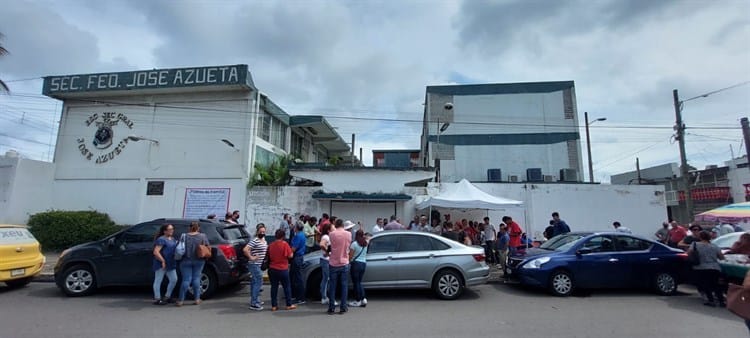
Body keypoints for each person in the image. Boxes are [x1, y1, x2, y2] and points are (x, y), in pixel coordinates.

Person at [688, 230, 725, 307]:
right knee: (716, 285)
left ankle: (711, 300)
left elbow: (689, 253)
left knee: (706, 284)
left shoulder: (695, 244)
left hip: (701, 267)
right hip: (715, 267)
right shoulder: (715, 246)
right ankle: (721, 301)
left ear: (700, 237)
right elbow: (721, 257)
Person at [177, 221, 210, 306]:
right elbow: (207, 246)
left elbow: (179, 247)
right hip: (199, 260)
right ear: (198, 228)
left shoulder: (184, 236)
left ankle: (180, 300)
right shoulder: (202, 236)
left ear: (189, 227)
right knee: (196, 279)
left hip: (185, 260)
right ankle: (197, 299)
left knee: (186, 280)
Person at [266, 229, 296, 311]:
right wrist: (292, 253)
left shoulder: (271, 245)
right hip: (283, 268)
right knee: (286, 287)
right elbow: (290, 256)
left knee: (274, 287)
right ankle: (288, 304)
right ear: (283, 236)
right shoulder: (284, 244)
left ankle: (274, 305)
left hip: (272, 268)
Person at [327, 219, 352, 315]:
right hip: (344, 262)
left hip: (333, 262)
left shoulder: (332, 234)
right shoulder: (348, 234)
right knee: (344, 285)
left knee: (332, 285)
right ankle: (343, 306)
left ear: (336, 225)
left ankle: (331, 307)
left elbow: (331, 246)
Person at [243, 223, 267, 311]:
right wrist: (251, 257)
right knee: (258, 281)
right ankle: (254, 303)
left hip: (259, 264)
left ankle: (256, 300)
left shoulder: (263, 240)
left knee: (254, 282)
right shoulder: (255, 240)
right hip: (254, 264)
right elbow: (245, 249)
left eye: (264, 231)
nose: (262, 233)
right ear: (257, 232)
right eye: (261, 232)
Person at [152, 224, 177, 305]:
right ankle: (157, 298)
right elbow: (156, 252)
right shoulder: (161, 239)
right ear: (164, 231)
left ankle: (167, 296)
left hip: (170, 263)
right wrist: (162, 261)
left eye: (172, 229)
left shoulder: (172, 239)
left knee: (174, 279)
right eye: (170, 229)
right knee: (158, 280)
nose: (172, 230)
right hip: (161, 263)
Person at [318, 221, 338, 306]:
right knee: (328, 279)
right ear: (329, 230)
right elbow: (322, 244)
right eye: (333, 228)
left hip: (326, 260)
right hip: (326, 260)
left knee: (326, 279)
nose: (335, 229)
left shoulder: (329, 236)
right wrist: (327, 252)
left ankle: (324, 296)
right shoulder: (326, 236)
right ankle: (325, 297)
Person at [348, 229, 368, 308]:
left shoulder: (354, 244)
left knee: (356, 283)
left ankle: (358, 300)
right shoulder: (365, 243)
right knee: (359, 282)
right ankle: (363, 299)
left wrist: (348, 261)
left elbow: (351, 256)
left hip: (356, 264)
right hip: (363, 264)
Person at [290, 221, 307, 305]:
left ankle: (300, 297)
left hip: (296, 257)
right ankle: (296, 295)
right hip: (299, 257)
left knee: (297, 278)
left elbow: (293, 249)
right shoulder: (302, 235)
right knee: (295, 277)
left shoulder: (298, 236)